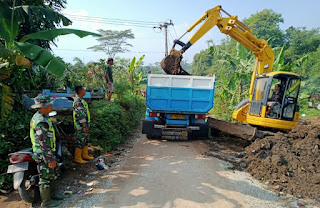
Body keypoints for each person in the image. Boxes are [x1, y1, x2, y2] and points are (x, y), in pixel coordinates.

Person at [30, 94, 63, 207]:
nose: (52, 106)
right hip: (43, 154)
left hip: (48, 152)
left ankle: (52, 196)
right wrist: (49, 158)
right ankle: (46, 203)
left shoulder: (44, 117)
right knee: (44, 178)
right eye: (50, 104)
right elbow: (43, 143)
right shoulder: (40, 121)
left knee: (52, 174)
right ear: (44, 106)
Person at [73, 86, 94, 164]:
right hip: (80, 125)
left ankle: (85, 155)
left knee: (85, 139)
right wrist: (84, 125)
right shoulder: (78, 102)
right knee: (80, 140)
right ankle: (77, 158)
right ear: (80, 91)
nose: (85, 91)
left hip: (84, 124)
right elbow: (80, 115)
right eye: (84, 90)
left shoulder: (81, 100)